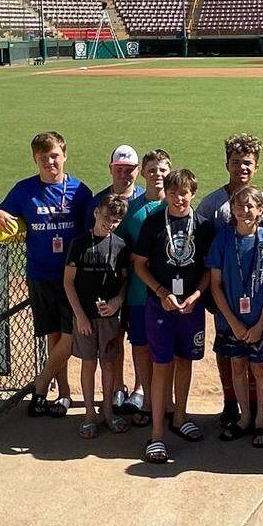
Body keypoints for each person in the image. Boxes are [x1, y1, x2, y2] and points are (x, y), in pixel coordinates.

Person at [0, 132, 92, 418]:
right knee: (54, 334)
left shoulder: (80, 191)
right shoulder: (24, 190)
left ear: (65, 155)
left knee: (73, 333)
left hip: (73, 276)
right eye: (43, 157)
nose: (49, 161)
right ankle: (63, 394)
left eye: (54, 155)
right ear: (35, 159)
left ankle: (41, 382)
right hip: (40, 274)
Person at [132, 169, 215, 464]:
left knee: (185, 361)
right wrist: (160, 292)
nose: (179, 199)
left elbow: (208, 269)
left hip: (191, 307)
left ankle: (180, 417)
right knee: (161, 365)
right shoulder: (153, 222)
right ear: (165, 193)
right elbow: (139, 264)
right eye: (173, 193)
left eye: (184, 193)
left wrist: (196, 295)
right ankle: (156, 434)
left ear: (193, 194)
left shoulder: (203, 226)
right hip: (160, 306)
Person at [196, 133, 263, 426]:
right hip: (224, 290)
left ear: (255, 167)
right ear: (226, 163)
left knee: (255, 355)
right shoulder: (212, 204)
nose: (241, 168)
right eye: (235, 162)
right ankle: (231, 401)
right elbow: (203, 247)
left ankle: (255, 406)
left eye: (247, 163)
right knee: (226, 349)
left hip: (256, 292)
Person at [207, 185, 263, 448]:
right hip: (230, 322)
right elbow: (215, 285)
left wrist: (260, 324)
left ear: (261, 210)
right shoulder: (223, 240)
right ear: (232, 210)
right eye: (239, 206)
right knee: (237, 367)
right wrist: (233, 322)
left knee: (259, 369)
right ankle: (245, 417)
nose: (244, 211)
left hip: (259, 322)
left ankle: (262, 419)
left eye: (250, 206)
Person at [65, 194, 131, 438]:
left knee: (109, 363)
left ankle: (109, 413)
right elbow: (68, 283)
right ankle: (90, 415)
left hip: (110, 317)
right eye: (106, 217)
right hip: (85, 316)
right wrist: (80, 316)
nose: (109, 223)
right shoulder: (79, 244)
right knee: (89, 363)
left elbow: (124, 280)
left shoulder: (121, 245)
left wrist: (118, 301)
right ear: (96, 213)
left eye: (115, 220)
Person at [85, 144, 144, 415]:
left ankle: (140, 389)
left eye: (130, 170)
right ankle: (118, 387)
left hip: (141, 282)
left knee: (142, 340)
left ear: (137, 171)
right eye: (120, 169)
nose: (125, 174)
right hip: (110, 284)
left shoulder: (147, 198)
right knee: (115, 336)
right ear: (111, 169)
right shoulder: (97, 202)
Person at [118, 149, 172, 427]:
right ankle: (150, 400)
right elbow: (122, 246)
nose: (157, 175)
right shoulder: (133, 208)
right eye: (152, 170)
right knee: (140, 345)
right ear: (144, 173)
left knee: (168, 348)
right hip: (139, 291)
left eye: (162, 170)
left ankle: (169, 401)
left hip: (170, 291)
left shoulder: (175, 205)